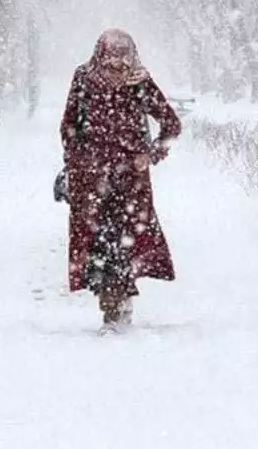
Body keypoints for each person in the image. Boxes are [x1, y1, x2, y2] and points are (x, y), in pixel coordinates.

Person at [60, 28, 182, 331]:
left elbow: (171, 124)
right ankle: (113, 303)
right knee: (98, 244)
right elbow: (69, 125)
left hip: (130, 183)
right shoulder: (84, 78)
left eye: (122, 58)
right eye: (112, 58)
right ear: (100, 54)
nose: (117, 66)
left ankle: (116, 308)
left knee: (122, 243)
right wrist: (77, 160)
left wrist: (151, 155)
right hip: (91, 181)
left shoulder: (140, 82)